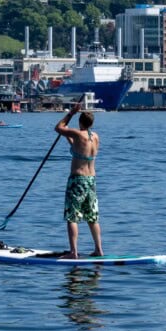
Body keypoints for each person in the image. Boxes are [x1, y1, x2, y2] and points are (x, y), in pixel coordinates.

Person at [55, 102, 102, 258]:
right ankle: (98, 250)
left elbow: (59, 127)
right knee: (92, 217)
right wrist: (69, 137)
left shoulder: (77, 134)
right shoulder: (95, 137)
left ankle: (73, 252)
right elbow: (80, 149)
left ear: (80, 122)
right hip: (91, 181)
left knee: (72, 216)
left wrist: (72, 113)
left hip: (77, 180)